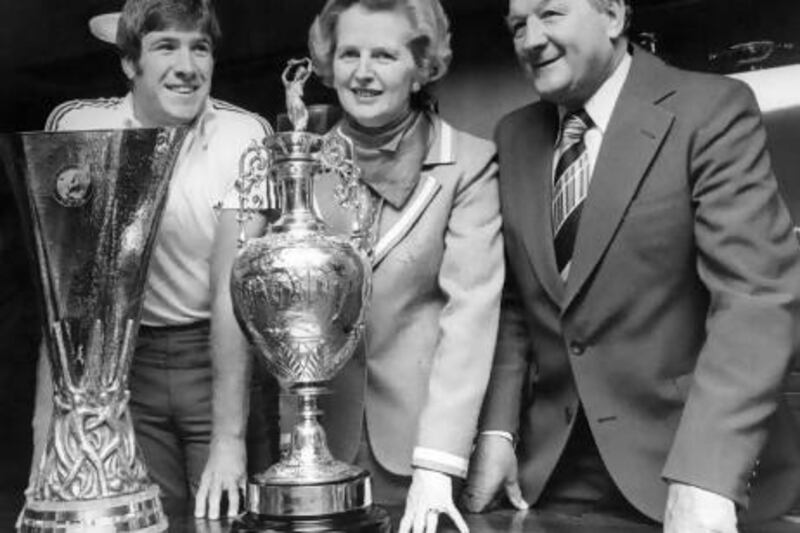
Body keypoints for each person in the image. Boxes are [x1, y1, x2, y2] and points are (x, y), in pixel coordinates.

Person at [463, 0, 800, 531]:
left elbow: (755, 299)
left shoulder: (712, 109)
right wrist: (498, 433)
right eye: (517, 25)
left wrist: (706, 475)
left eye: (550, 14)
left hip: (686, 476)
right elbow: (514, 305)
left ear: (614, 16)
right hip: (548, 482)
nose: (530, 39)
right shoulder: (512, 135)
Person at [31, 0, 279, 520]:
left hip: (217, 358)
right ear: (129, 63)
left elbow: (230, 290)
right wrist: (44, 444)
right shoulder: (79, 125)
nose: (187, 66)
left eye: (200, 47)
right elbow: (67, 298)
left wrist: (229, 440)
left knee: (229, 517)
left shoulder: (245, 136)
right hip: (122, 366)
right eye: (166, 46)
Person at [307, 1, 504, 531]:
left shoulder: (469, 163)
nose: (363, 72)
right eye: (349, 53)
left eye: (384, 56)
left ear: (420, 69)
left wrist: (439, 463)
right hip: (318, 443)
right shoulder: (301, 167)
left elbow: (471, 316)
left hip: (422, 450)